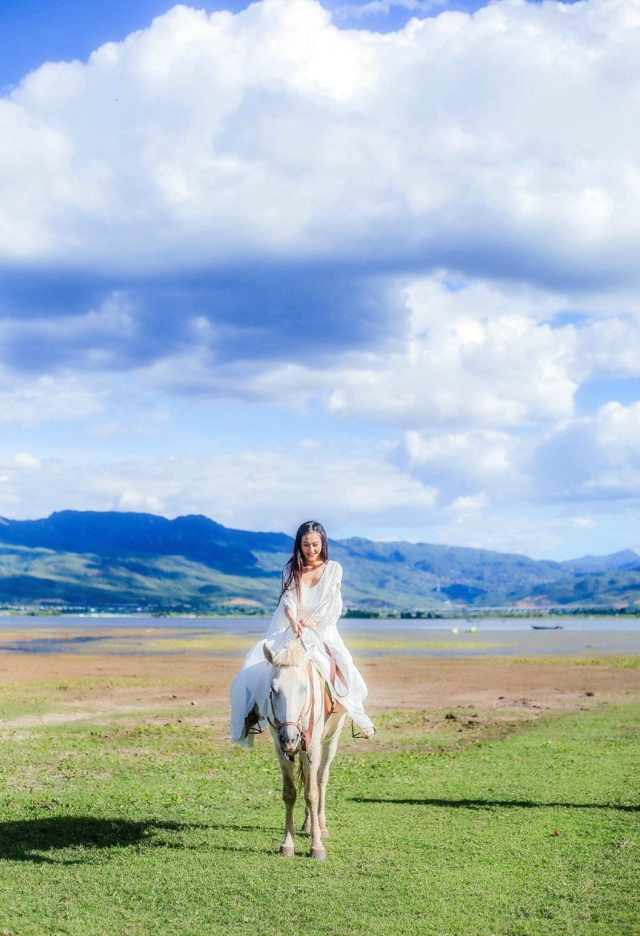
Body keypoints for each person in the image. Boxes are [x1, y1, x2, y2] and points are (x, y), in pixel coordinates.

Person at [230, 520, 375, 746]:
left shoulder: (334, 568)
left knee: (344, 661)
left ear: (323, 543)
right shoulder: (290, 569)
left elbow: (333, 603)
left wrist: (314, 620)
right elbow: (288, 598)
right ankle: (253, 714)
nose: (311, 550)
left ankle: (357, 714)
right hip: (293, 626)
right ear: (299, 545)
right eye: (306, 545)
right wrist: (292, 619)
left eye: (315, 545)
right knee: (259, 664)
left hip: (322, 628)